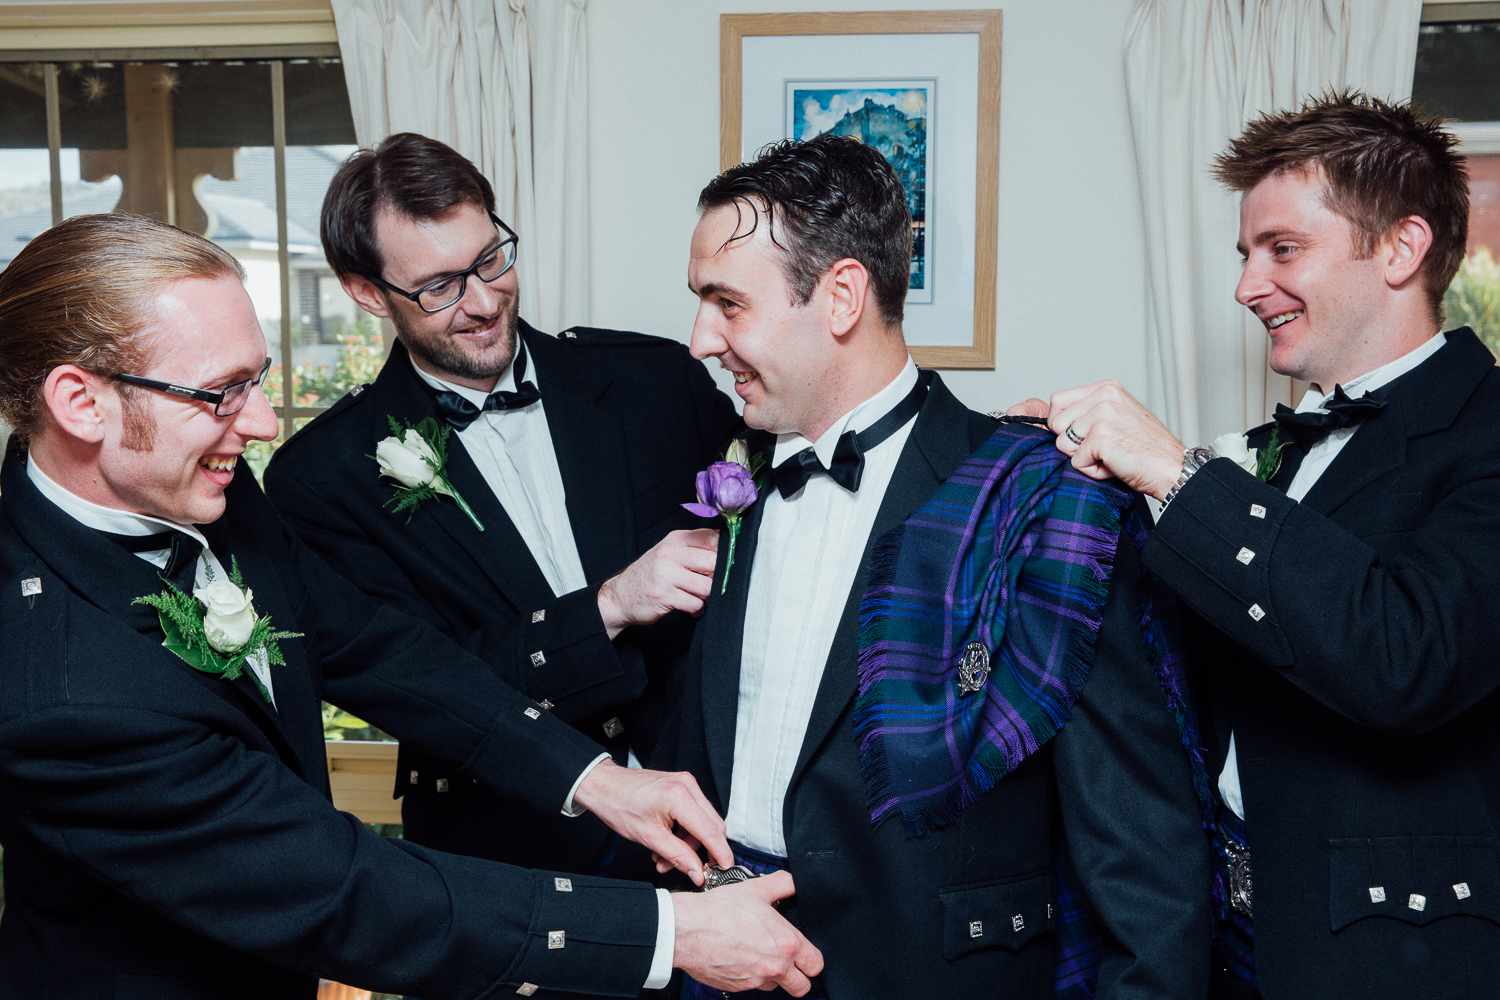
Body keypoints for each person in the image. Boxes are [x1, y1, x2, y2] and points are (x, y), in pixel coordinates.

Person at [0, 212, 823, 999]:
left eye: (257, 380)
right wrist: (668, 934)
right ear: (81, 403)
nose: (262, 421)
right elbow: (343, 888)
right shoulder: (55, 689)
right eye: (220, 393)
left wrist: (596, 780)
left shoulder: (204, 489)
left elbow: (377, 649)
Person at [652, 134, 1212, 999]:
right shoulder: (735, 477)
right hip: (720, 968)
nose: (698, 341)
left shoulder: (1042, 495)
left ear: (842, 296)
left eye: (728, 303)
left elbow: (1141, 846)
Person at [1013, 92, 1500, 999]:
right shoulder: (1276, 450)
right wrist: (1086, 500)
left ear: (1401, 248)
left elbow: (1408, 655)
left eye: (1282, 249)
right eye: (1245, 254)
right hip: (1224, 940)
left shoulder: (1485, 429)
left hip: (1390, 959)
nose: (1245, 286)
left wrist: (1177, 473)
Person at [263, 134, 743, 894]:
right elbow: (422, 685)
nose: (485, 302)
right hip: (511, 868)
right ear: (366, 292)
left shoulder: (655, 380)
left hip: (726, 823)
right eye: (439, 286)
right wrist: (612, 605)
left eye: (491, 259)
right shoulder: (321, 478)